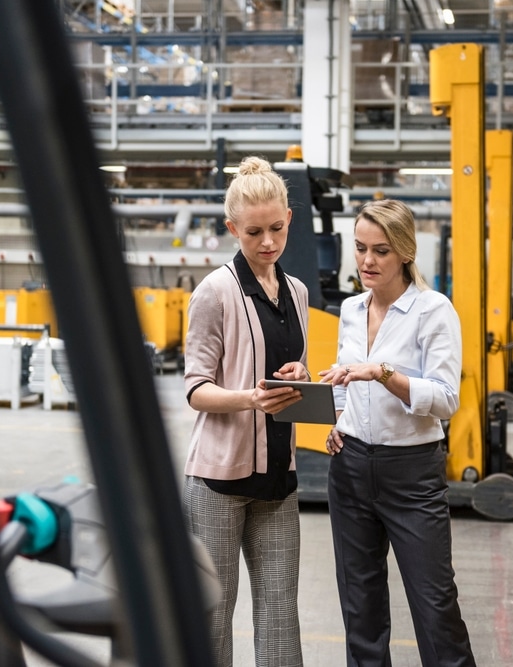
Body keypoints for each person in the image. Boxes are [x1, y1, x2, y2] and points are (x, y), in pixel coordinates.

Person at [319, 199, 476, 667]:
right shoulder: (350, 309)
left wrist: (384, 372)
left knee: (434, 606)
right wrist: (338, 419)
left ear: (405, 252)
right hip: (349, 471)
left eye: (380, 251)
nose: (366, 261)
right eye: (360, 248)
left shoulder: (433, 310)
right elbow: (346, 379)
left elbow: (447, 399)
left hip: (411, 475)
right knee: (360, 611)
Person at [182, 155, 309, 667]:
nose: (268, 243)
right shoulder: (214, 292)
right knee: (213, 616)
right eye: (254, 232)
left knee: (280, 614)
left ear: (289, 220)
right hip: (217, 482)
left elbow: (292, 365)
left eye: (277, 229)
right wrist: (249, 399)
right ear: (232, 228)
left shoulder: (298, 292)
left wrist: (300, 375)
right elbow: (195, 389)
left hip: (279, 477)